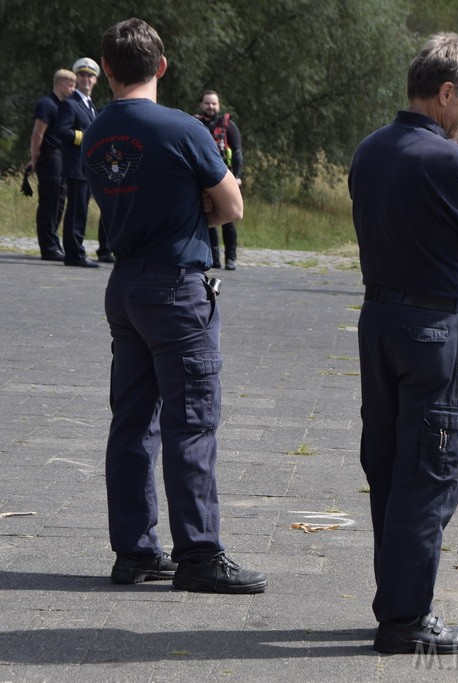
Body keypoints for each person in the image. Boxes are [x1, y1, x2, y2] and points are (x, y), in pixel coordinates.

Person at [348, 32, 458, 655]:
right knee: (431, 471)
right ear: (445, 94)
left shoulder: (370, 150)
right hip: (434, 332)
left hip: (379, 323)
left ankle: (394, 600)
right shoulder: (449, 160)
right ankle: (405, 621)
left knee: (390, 467)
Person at [83, 17, 265, 594]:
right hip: (177, 287)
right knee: (191, 421)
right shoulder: (183, 128)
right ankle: (199, 553)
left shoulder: (95, 132)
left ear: (106, 68)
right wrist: (196, 216)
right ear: (161, 66)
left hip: (125, 283)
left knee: (132, 421)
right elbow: (232, 205)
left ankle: (135, 551)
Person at [56, 57, 104, 267]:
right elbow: (62, 131)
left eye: (90, 76)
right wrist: (87, 137)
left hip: (87, 167)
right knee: (76, 210)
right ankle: (74, 253)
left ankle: (76, 250)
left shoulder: (89, 105)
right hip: (76, 165)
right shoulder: (70, 103)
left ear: (95, 80)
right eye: (82, 75)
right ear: (76, 78)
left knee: (81, 210)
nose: (86, 79)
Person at [28, 69, 77, 261]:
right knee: (50, 201)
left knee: (60, 201)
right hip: (50, 156)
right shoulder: (47, 104)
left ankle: (53, 241)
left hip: (63, 156)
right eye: (70, 85)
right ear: (59, 85)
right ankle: (47, 248)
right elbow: (37, 134)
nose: (73, 89)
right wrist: (34, 157)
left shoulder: (65, 105)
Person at [194, 90, 243, 270]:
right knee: (208, 219)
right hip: (202, 179)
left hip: (224, 178)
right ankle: (213, 258)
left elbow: (237, 153)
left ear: (219, 105)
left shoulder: (228, 126)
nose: (211, 107)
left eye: (214, 103)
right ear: (201, 104)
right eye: (207, 103)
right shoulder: (194, 124)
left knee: (228, 219)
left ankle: (231, 258)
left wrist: (237, 177)